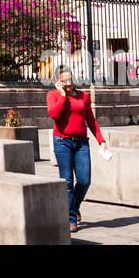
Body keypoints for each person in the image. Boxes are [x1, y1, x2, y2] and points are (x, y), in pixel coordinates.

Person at [46, 68, 108, 232]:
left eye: (70, 79)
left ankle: (74, 205)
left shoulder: (84, 96)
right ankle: (70, 218)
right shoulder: (53, 95)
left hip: (81, 143)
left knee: (84, 180)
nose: (69, 83)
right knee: (66, 181)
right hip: (62, 142)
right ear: (59, 82)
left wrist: (101, 140)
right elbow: (54, 114)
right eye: (65, 80)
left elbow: (91, 120)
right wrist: (63, 96)